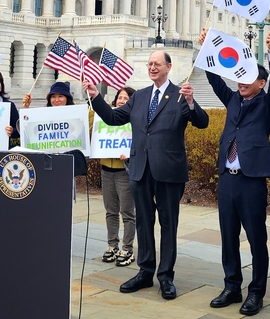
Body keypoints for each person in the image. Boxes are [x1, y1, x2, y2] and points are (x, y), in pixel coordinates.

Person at [83, 50, 209, 300]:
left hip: (169, 171)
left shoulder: (180, 95)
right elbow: (112, 117)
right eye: (149, 64)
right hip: (140, 169)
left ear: (168, 67)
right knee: (143, 222)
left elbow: (202, 122)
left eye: (157, 64)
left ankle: (166, 277)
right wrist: (96, 97)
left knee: (168, 224)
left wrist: (192, 102)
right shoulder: (139, 97)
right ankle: (145, 271)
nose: (152, 67)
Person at [201, 27, 270, 316]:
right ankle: (232, 286)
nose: (240, 82)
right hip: (227, 179)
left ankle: (257, 292)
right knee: (228, 236)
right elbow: (214, 81)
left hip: (251, 181)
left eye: (247, 78)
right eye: (239, 77)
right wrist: (207, 50)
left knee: (256, 238)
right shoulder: (234, 98)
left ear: (261, 83)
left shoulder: (267, 104)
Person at [99, 87, 136, 267]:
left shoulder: (134, 119)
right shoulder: (105, 118)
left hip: (124, 172)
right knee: (110, 211)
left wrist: (129, 155)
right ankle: (112, 245)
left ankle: (127, 248)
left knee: (127, 212)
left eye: (125, 98)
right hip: (106, 170)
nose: (121, 101)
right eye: (119, 97)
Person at [22, 81, 87, 175]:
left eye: (60, 96)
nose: (56, 100)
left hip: (67, 162)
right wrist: (26, 107)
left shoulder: (76, 117)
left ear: (67, 98)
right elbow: (26, 128)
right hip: (46, 162)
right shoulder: (42, 115)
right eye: (53, 96)